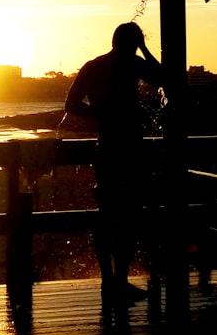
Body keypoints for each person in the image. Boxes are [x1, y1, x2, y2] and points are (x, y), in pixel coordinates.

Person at [62, 21, 163, 308]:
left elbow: (71, 103)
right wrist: (144, 48)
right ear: (132, 43)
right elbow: (161, 78)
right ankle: (115, 281)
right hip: (128, 147)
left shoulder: (95, 66)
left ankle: (112, 281)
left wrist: (99, 113)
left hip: (106, 148)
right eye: (137, 42)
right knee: (127, 216)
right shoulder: (132, 63)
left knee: (109, 215)